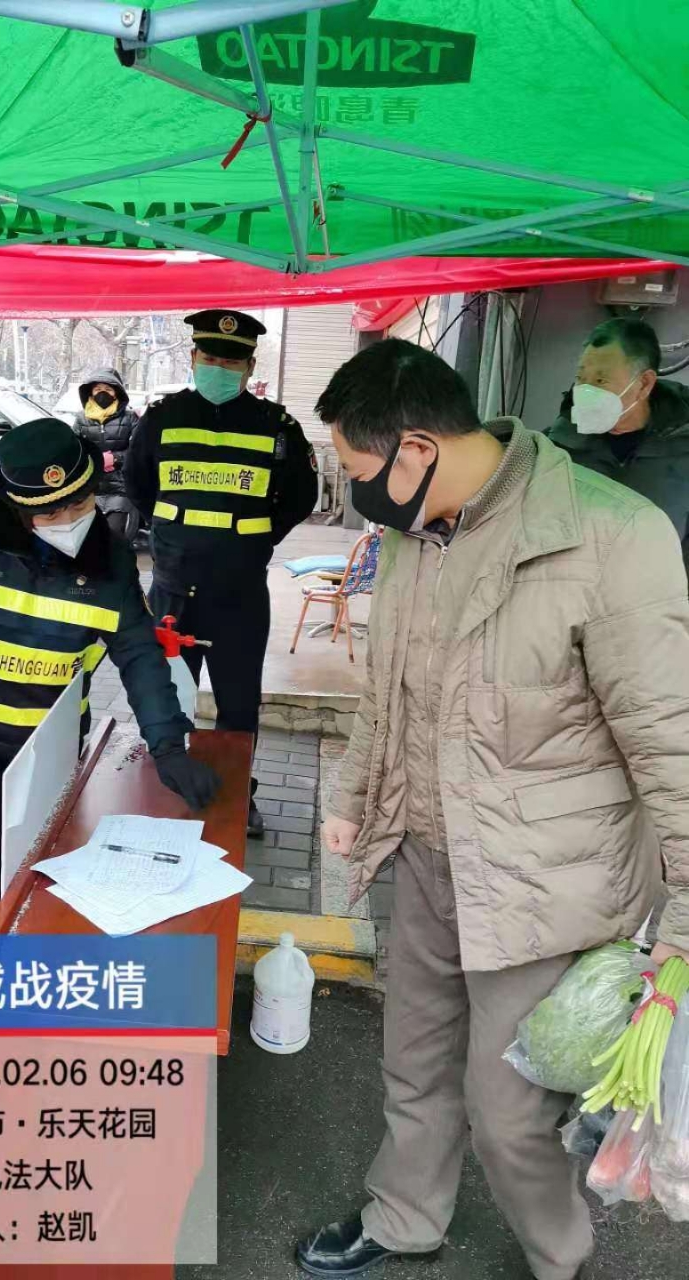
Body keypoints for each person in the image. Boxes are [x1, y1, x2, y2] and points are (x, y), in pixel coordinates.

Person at [295, 339, 689, 1280]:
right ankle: (405, 1217)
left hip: (544, 885)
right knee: (414, 1061)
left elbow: (670, 742)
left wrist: (683, 916)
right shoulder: (413, 533)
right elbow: (386, 693)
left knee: (509, 1110)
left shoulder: (610, 537)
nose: (357, 494)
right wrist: (353, 796)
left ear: (417, 448)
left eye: (357, 470)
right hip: (427, 859)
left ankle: (560, 1257)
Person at [0, 418, 219, 934]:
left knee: (40, 882)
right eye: (50, 513)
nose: (68, 519)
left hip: (50, 751)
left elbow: (138, 655)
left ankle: (25, 980)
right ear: (19, 511)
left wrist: (169, 745)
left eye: (79, 503)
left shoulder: (111, 562)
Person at [123, 309, 318, 838]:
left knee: (237, 705)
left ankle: (235, 797)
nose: (219, 368)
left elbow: (301, 496)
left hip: (240, 593)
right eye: (210, 358)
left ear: (250, 366)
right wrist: (175, 536)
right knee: (168, 697)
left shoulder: (276, 425)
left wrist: (256, 539)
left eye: (231, 362)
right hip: (173, 591)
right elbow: (138, 485)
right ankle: (169, 786)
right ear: (192, 358)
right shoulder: (161, 418)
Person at [548, 316, 689, 568]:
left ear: (644, 384)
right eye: (581, 378)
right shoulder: (555, 449)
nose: (585, 391)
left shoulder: (682, 448)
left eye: (600, 381)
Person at [71, 367, 142, 543]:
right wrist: (92, 459)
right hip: (90, 490)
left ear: (117, 392)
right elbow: (74, 451)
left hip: (120, 488)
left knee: (114, 535)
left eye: (108, 389)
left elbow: (139, 451)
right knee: (91, 540)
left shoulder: (130, 418)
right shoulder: (81, 419)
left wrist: (116, 458)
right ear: (90, 392)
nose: (103, 393)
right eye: (98, 389)